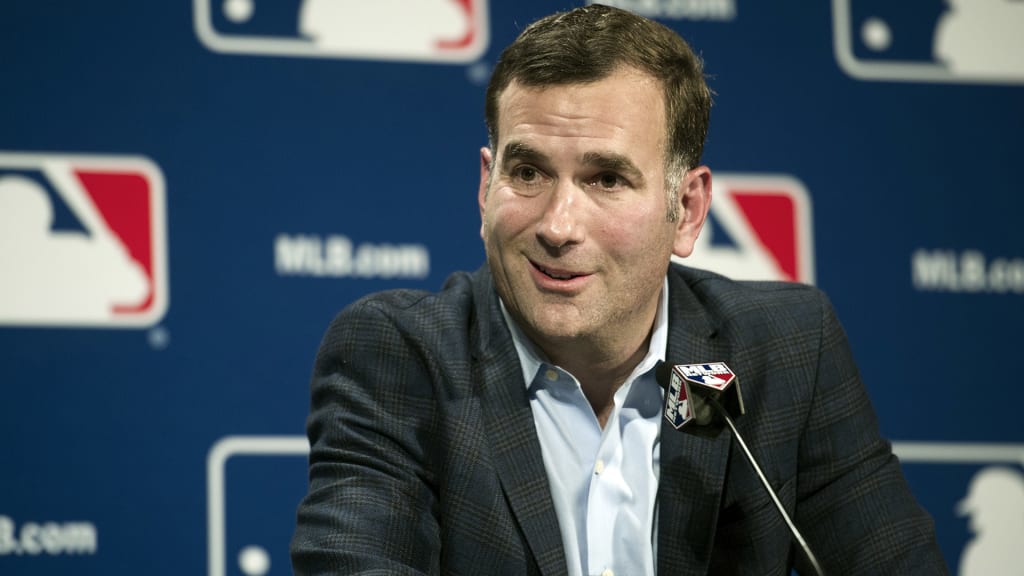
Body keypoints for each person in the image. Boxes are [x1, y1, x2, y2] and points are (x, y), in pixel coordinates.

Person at [291, 5, 948, 574]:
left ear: (686, 210)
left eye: (607, 179)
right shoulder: (400, 359)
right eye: (528, 172)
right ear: (486, 186)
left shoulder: (787, 351)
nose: (558, 226)